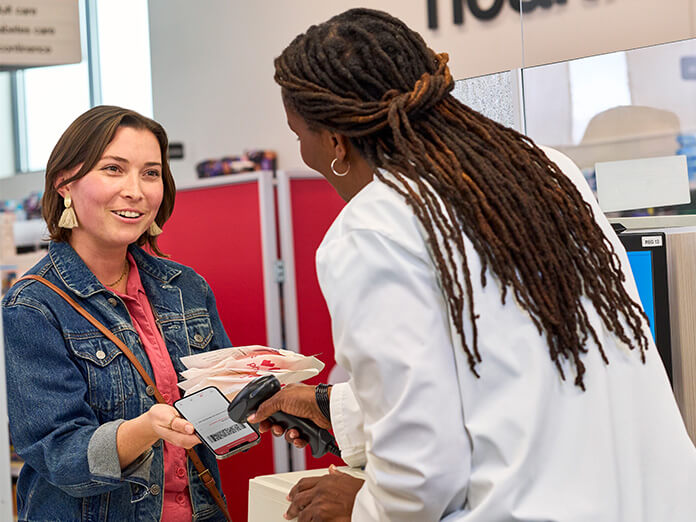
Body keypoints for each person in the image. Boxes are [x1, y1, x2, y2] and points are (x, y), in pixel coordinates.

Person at [249, 8, 696, 521]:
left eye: (299, 134)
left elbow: (420, 473)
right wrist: (330, 407)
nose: (303, 152)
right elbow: (510, 369)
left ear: (335, 142)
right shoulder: (549, 169)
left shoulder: (371, 226)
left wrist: (361, 507)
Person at [2, 106, 231, 521]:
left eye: (150, 173)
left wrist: (261, 400)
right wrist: (145, 429)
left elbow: (222, 406)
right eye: (113, 169)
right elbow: (59, 453)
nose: (135, 191)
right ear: (65, 184)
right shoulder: (34, 305)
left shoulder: (186, 287)